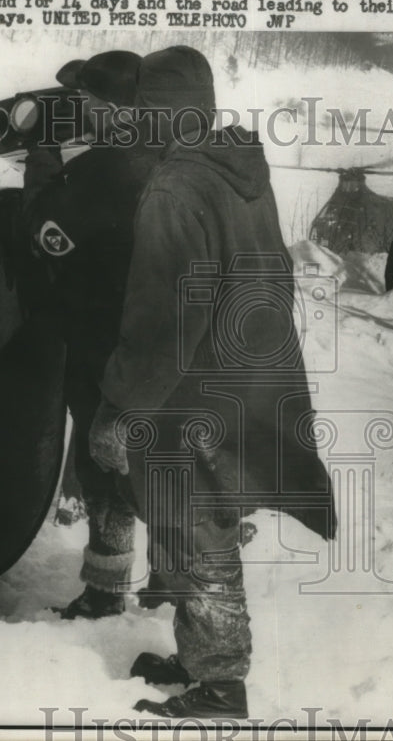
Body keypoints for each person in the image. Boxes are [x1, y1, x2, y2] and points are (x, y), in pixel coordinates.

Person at [88, 45, 337, 718]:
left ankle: (221, 686)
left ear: (163, 114)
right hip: (247, 380)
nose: (136, 124)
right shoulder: (238, 170)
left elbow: (160, 318)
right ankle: (202, 660)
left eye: (144, 112)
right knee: (197, 526)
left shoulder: (175, 188)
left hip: (194, 391)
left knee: (197, 533)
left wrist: (118, 405)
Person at [19, 50, 160, 620]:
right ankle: (173, 579)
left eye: (87, 102)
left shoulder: (105, 170)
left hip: (103, 343)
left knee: (105, 469)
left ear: (116, 108)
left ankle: (105, 590)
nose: (79, 108)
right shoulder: (167, 157)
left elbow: (44, 233)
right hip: (155, 344)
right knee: (157, 462)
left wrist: (45, 156)